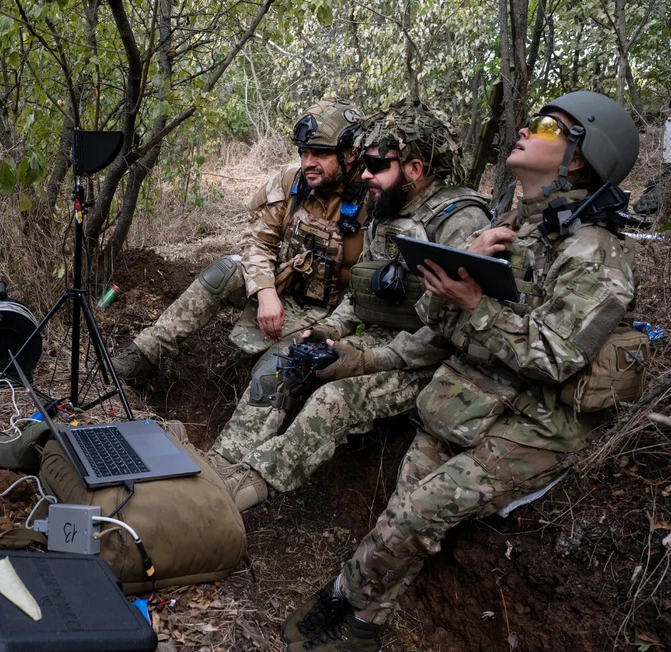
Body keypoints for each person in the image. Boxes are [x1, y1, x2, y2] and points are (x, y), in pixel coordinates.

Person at [280, 91, 642, 651]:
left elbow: (555, 357)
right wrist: (462, 264)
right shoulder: (519, 225)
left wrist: (476, 306)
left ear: (578, 158)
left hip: (537, 424)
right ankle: (365, 626)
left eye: (547, 126)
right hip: (473, 393)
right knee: (405, 511)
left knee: (415, 516)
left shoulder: (596, 253)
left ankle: (339, 595)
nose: (526, 129)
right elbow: (437, 318)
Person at [208, 101, 490, 512]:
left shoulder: (460, 224)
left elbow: (447, 332)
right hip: (374, 339)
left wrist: (368, 361)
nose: (366, 175)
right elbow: (359, 293)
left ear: (414, 168)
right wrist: (332, 330)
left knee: (333, 400)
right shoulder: (387, 208)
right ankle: (221, 462)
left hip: (424, 362)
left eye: (376, 165)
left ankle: (244, 489)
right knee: (290, 358)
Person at [110, 99, 369, 388]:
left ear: (350, 153)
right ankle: (142, 355)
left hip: (331, 318)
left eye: (320, 153)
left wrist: (330, 330)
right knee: (224, 272)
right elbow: (258, 241)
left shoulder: (374, 198)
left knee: (272, 373)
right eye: (304, 152)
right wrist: (265, 291)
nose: (308, 163)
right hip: (284, 289)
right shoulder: (291, 181)